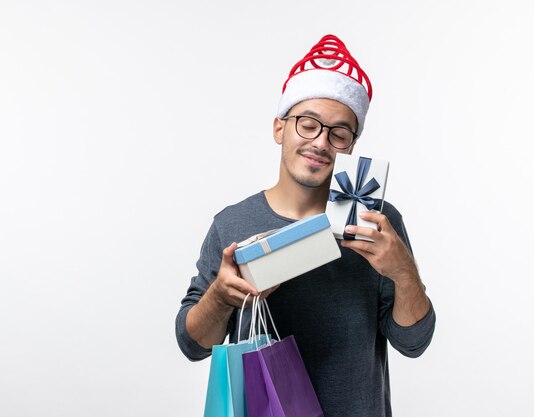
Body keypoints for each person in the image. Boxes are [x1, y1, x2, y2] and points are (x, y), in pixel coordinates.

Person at [176, 34, 435, 417]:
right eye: (308, 124)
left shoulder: (375, 222)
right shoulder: (232, 223)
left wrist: (404, 274)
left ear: (350, 146)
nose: (320, 142)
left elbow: (413, 343)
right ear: (279, 128)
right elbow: (193, 345)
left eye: (338, 133)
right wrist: (220, 297)